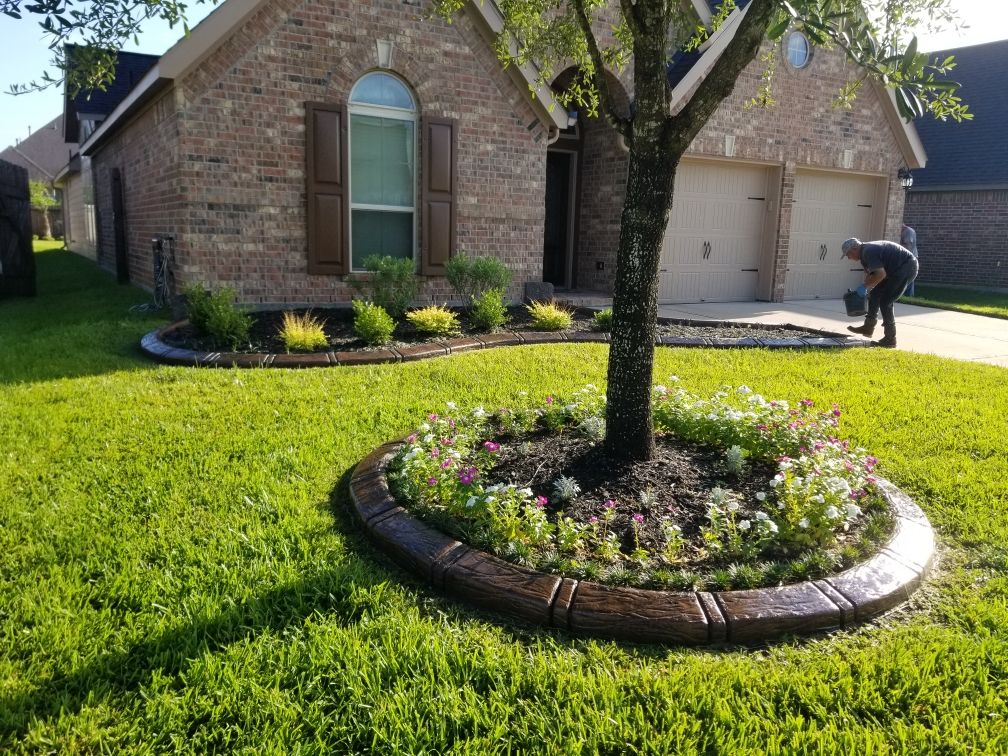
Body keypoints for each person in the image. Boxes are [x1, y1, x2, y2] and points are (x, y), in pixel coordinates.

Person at [841, 237, 919, 348]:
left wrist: (864, 287)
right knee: (874, 295)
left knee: (886, 301)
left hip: (906, 267)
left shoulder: (868, 251)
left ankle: (890, 339)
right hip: (893, 270)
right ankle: (868, 327)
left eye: (848, 254)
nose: (848, 258)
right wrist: (865, 287)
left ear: (854, 249)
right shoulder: (864, 253)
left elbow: (880, 274)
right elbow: (873, 274)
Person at [900, 224, 918, 296]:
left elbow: (908, 246)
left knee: (908, 277)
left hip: (910, 258)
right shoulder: (906, 231)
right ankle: (907, 296)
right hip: (907, 257)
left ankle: (908, 296)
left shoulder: (908, 231)